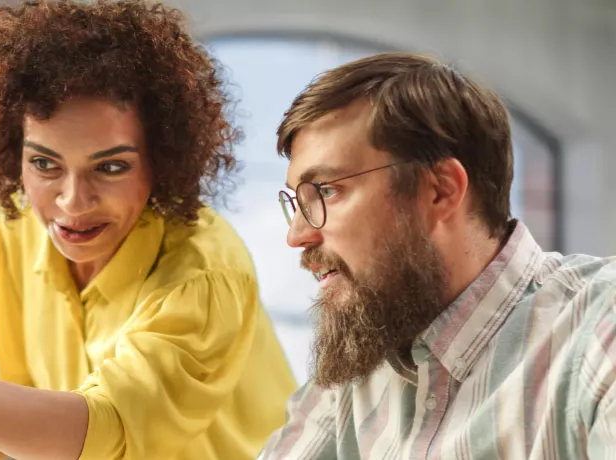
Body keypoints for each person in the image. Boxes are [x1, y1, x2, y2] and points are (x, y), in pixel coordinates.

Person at [0, 1, 297, 459]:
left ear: (161, 161)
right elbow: (23, 385)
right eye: (44, 163)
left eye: (112, 166)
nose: (72, 202)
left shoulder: (202, 277)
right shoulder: (18, 221)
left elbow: (109, 431)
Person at [258, 52, 616, 459]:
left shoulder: (599, 334)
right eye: (297, 201)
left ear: (441, 190)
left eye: (325, 190)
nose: (297, 235)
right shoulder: (355, 367)